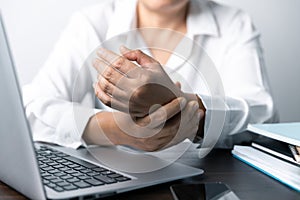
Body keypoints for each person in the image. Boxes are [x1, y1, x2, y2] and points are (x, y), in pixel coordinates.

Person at [23, 0, 278, 151]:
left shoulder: (234, 23)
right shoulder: (92, 22)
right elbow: (32, 108)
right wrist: (119, 130)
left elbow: (262, 116)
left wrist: (183, 104)